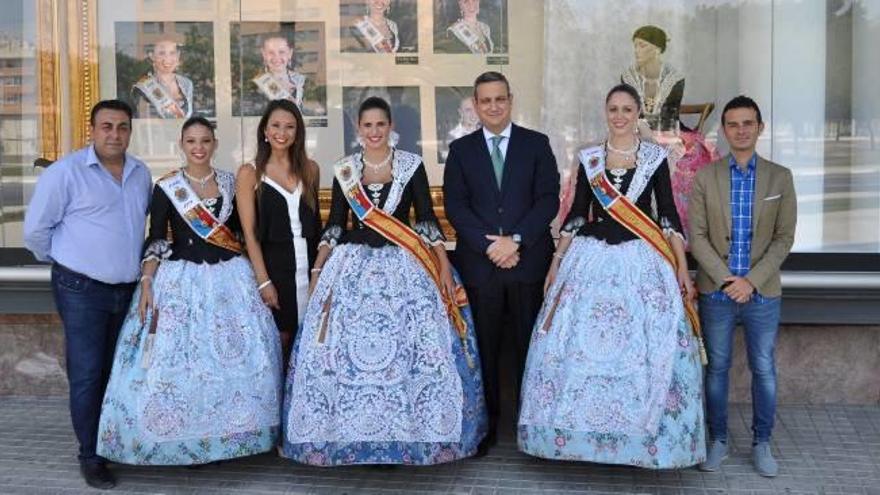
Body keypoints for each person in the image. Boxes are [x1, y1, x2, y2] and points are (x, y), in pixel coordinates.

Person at [282, 96, 487, 466]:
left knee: (412, 349)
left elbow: (426, 219)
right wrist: (318, 271)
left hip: (405, 266)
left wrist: (442, 264)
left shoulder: (411, 166)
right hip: (352, 266)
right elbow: (334, 226)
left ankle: (410, 433)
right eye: (367, 125)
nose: (374, 131)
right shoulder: (345, 170)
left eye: (380, 124)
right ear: (358, 130)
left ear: (390, 127)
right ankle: (353, 432)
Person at [517, 84, 706, 469]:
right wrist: (556, 263)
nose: (619, 115)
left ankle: (641, 438)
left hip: (642, 262)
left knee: (642, 348)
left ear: (638, 114)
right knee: (580, 347)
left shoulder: (654, 157)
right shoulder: (590, 158)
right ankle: (577, 435)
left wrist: (682, 270)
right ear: (606, 112)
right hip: (591, 260)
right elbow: (576, 213)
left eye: (626, 109)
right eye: (613, 109)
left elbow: (667, 214)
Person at [95, 116, 283, 466]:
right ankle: (175, 441)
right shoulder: (167, 187)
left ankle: (233, 438)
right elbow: (156, 237)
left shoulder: (230, 181)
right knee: (177, 365)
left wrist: (261, 278)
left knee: (237, 360)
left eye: (205, 141)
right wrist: (148, 281)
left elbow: (245, 233)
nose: (199, 148)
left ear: (214, 144)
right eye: (192, 141)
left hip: (231, 281)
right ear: (181, 145)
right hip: (181, 282)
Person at [23, 100, 152, 489]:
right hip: (81, 289)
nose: (115, 134)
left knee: (117, 374)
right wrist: (67, 263)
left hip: (126, 290)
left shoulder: (140, 173)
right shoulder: (66, 173)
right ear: (92, 130)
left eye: (122, 127)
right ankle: (90, 457)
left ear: (130, 131)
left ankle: (112, 444)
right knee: (86, 374)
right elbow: (35, 232)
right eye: (107, 126)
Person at [443, 71, 559, 457]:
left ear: (511, 100)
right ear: (475, 105)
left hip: (527, 264)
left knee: (530, 348)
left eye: (500, 99)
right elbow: (456, 206)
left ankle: (533, 429)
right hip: (482, 266)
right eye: (485, 100)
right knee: (486, 351)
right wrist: (487, 245)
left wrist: (517, 241)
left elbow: (548, 200)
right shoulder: (460, 151)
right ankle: (487, 427)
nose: (493, 106)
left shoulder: (537, 144)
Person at [690, 96, 797, 477]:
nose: (740, 130)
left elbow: (784, 238)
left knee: (764, 368)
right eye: (732, 124)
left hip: (762, 293)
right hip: (717, 292)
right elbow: (697, 237)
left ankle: (762, 443)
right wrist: (726, 280)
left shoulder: (780, 178)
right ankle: (717, 440)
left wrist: (750, 281)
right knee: (716, 369)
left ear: (760, 128)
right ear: (723, 130)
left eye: (747, 123)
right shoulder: (706, 177)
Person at [236, 99, 321, 372]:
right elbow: (249, 233)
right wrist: (263, 282)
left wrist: (319, 272)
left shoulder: (311, 169)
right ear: (264, 129)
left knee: (309, 342)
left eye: (289, 127)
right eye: (275, 125)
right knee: (280, 343)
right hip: (275, 269)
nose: (281, 132)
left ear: (298, 133)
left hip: (309, 268)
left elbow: (315, 225)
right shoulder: (250, 173)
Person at [620, 25, 719, 236]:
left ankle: (677, 232)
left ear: (656, 49)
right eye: (635, 45)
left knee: (688, 162)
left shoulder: (674, 78)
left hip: (669, 132)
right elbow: (630, 114)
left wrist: (650, 132)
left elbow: (667, 118)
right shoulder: (628, 77)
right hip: (636, 133)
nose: (636, 50)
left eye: (642, 45)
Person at [242, 34, 318, 116]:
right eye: (271, 52)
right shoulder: (254, 85)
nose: (276, 57)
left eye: (281, 52)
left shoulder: (302, 82)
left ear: (290, 53)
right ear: (264, 54)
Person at [131, 38, 194, 119]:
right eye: (161, 53)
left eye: (172, 53)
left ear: (178, 55)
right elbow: (141, 119)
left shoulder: (187, 83)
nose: (167, 58)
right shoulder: (144, 86)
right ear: (152, 56)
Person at [440, 94, 481, 162]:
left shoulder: (487, 132)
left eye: (476, 109)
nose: (473, 114)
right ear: (460, 112)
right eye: (468, 110)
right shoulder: (453, 136)